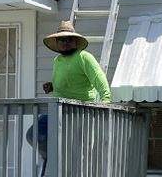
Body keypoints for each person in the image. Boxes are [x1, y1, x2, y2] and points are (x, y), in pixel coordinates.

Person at [29, 21, 111, 154]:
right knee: (33, 134)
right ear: (57, 43)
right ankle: (51, 158)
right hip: (57, 109)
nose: (65, 42)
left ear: (76, 42)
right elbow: (67, 81)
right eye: (61, 40)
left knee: (73, 147)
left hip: (79, 111)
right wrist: (51, 86)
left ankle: (57, 160)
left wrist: (106, 104)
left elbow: (100, 81)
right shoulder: (57, 61)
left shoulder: (84, 57)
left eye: (69, 39)